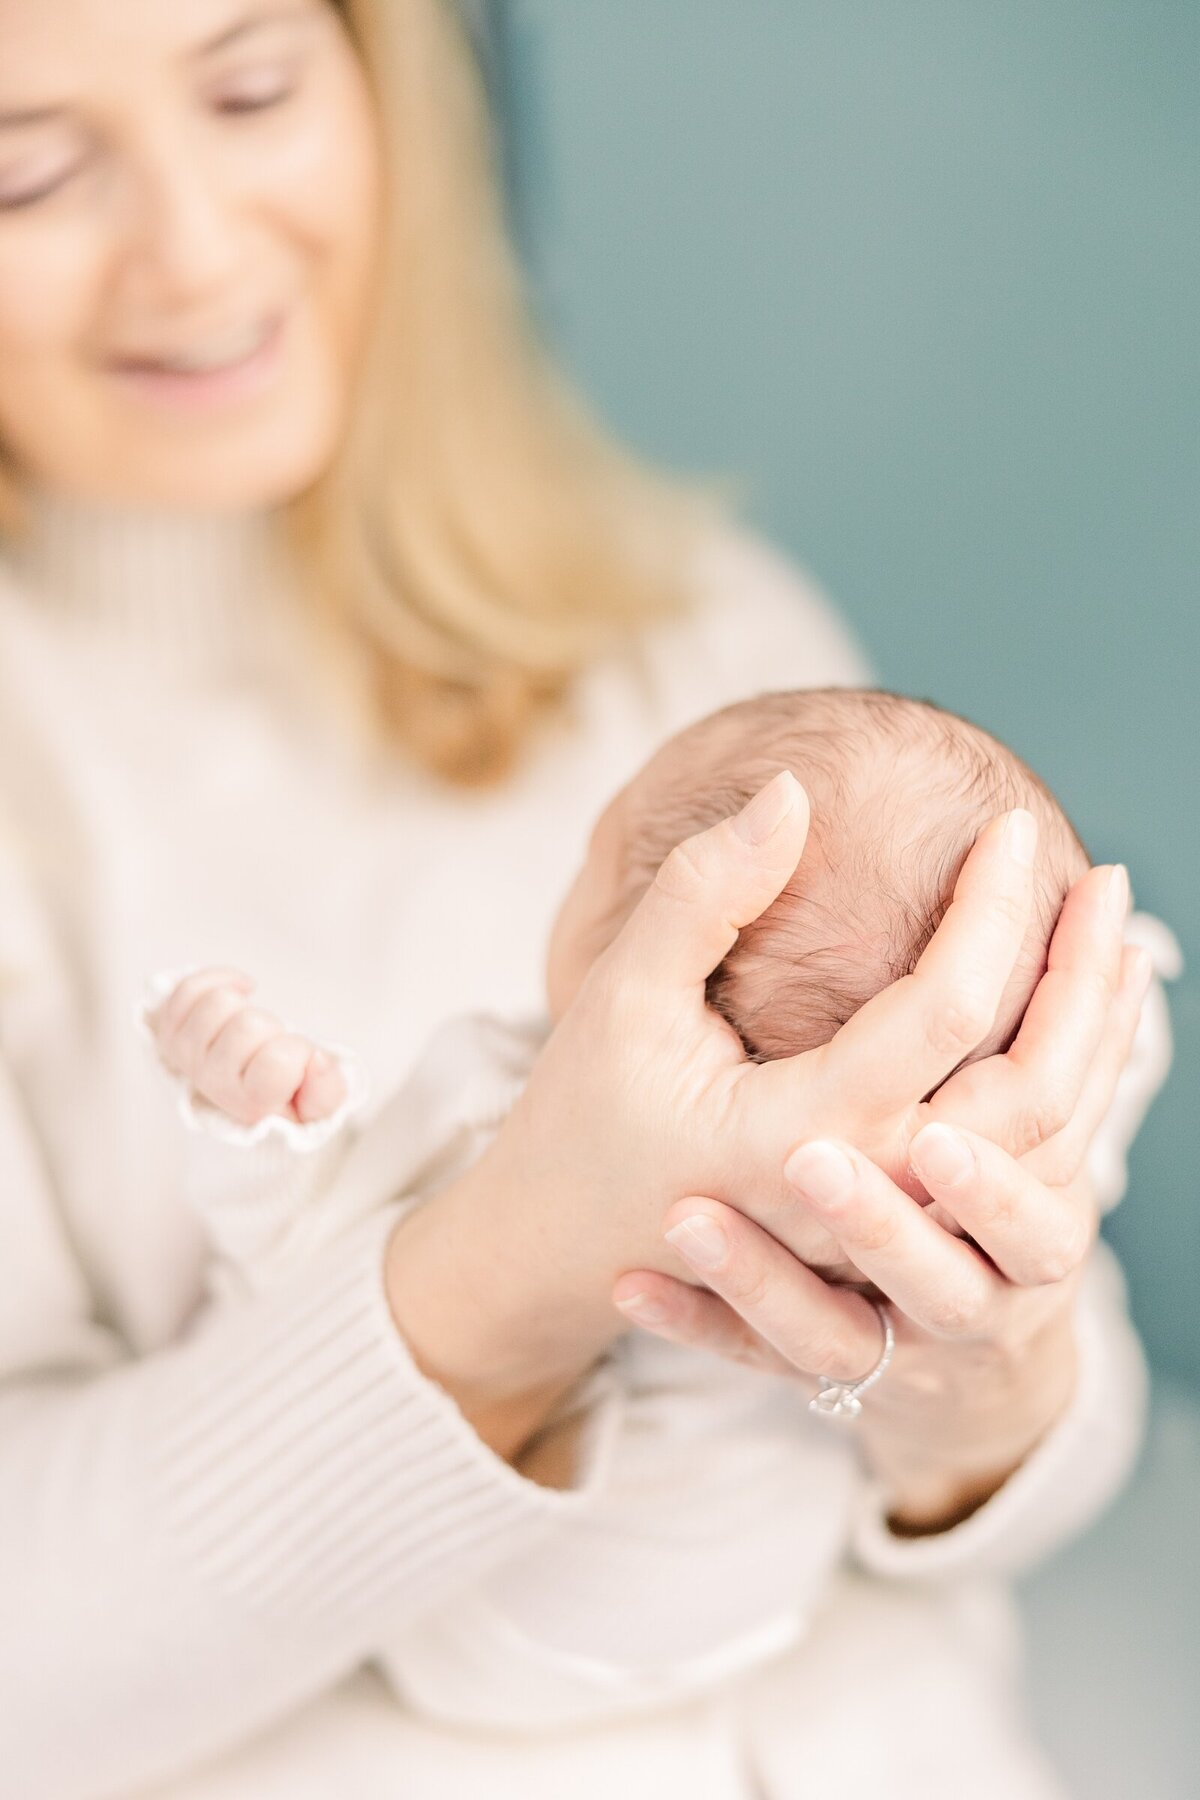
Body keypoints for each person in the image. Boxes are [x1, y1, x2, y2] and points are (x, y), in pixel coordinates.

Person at [0, 3, 1175, 1797]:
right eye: (30, 171)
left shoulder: (709, 650)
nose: (196, 248)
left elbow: (1037, 1483)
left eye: (250, 90)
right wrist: (512, 1266)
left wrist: (983, 1361)